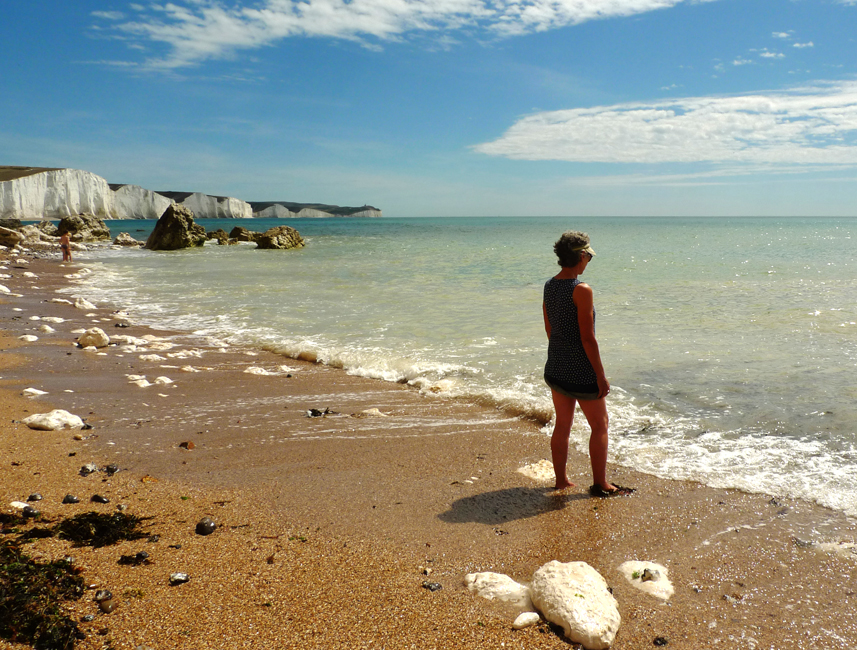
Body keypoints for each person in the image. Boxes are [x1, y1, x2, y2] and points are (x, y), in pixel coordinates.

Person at [542, 231, 633, 497]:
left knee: (563, 424)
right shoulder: (581, 290)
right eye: (588, 258)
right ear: (581, 256)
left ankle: (561, 480)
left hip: (556, 364)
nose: (588, 262)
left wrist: (562, 354)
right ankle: (601, 483)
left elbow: (550, 329)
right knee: (600, 425)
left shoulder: (549, 285)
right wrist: (600, 376)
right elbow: (588, 338)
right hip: (580, 370)